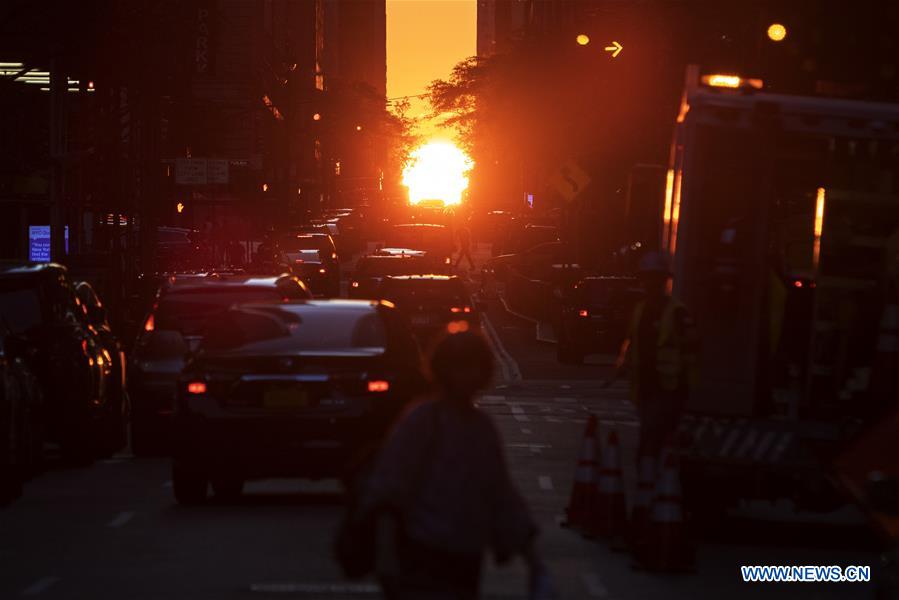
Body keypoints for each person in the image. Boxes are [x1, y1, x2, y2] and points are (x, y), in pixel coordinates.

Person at [355, 326, 553, 600]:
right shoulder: (422, 420)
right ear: (443, 370)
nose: (468, 375)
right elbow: (388, 492)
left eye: (474, 367)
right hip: (421, 554)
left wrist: (534, 561)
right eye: (460, 367)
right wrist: (386, 556)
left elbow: (500, 494)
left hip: (466, 559)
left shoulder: (481, 428)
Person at [614, 251, 698, 460]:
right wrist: (623, 367)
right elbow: (631, 342)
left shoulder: (677, 313)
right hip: (645, 387)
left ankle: (659, 479)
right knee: (651, 437)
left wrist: (686, 389)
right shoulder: (640, 310)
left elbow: (691, 352)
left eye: (655, 280)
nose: (650, 285)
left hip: (669, 389)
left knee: (655, 440)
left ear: (664, 281)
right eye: (647, 280)